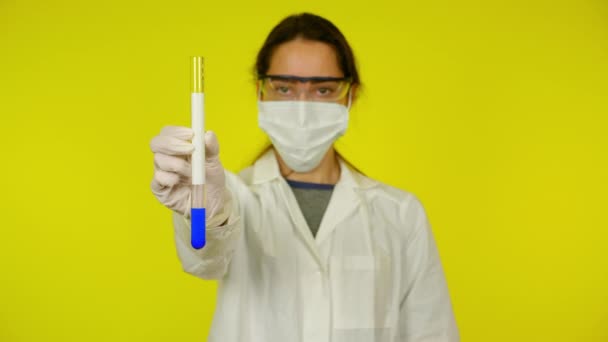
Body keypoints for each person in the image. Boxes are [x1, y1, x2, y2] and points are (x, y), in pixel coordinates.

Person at [150, 12, 459, 342]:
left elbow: (433, 332)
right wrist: (206, 213)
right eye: (284, 88)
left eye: (323, 90)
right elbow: (204, 257)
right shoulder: (232, 197)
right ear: (261, 93)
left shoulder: (400, 213)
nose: (301, 107)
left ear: (350, 96)